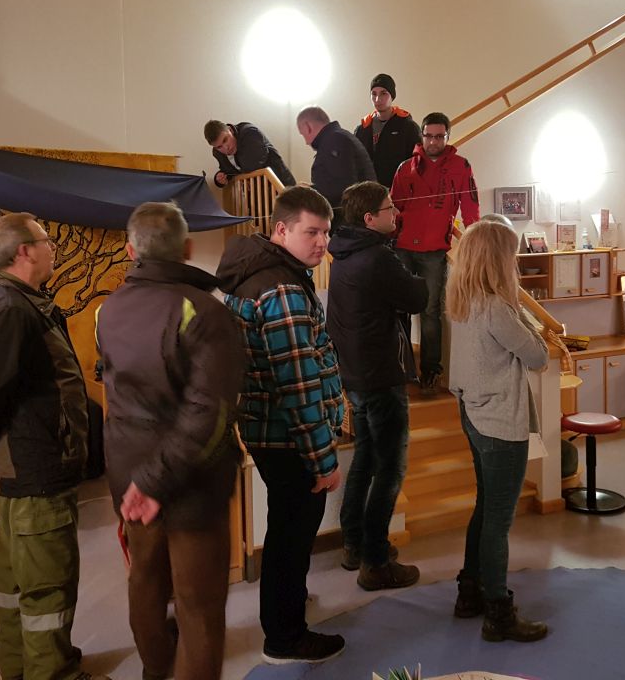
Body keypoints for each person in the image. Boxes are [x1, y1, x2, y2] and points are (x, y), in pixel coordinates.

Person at [0, 212, 106, 680]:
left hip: (20, 469)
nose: (52, 247)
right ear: (24, 252)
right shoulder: (12, 308)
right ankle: (53, 673)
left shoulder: (14, 301)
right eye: (46, 240)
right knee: (48, 588)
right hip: (35, 470)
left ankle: (19, 668)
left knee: (18, 582)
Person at [96, 202, 243, 680]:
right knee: (199, 607)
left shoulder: (107, 309)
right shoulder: (206, 311)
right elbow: (209, 414)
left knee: (145, 581)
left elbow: (116, 387)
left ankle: (156, 671)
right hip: (188, 482)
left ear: (130, 250)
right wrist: (156, 482)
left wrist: (142, 482)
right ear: (187, 248)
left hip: (131, 476)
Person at [215, 186, 346, 665]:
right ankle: (285, 637)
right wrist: (324, 459)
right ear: (281, 230)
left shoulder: (257, 273)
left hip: (265, 427)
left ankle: (286, 602)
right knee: (292, 534)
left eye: (326, 233)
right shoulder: (283, 289)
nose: (322, 242)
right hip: (288, 435)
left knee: (285, 529)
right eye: (312, 232)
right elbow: (298, 385)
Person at [446, 220, 549, 643]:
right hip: (499, 422)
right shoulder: (496, 308)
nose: (516, 263)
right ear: (497, 260)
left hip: (473, 412)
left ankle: (469, 592)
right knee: (498, 522)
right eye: (511, 255)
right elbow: (539, 355)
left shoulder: (463, 301)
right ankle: (498, 613)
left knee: (485, 507)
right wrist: (519, 310)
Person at [327, 181, 428, 590]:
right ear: (369, 218)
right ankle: (375, 561)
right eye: (389, 208)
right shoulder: (377, 258)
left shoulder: (342, 254)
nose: (396, 213)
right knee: (390, 469)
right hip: (380, 377)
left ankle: (354, 544)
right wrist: (418, 275)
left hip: (353, 375)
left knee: (367, 458)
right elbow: (417, 298)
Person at [391, 111, 480, 396]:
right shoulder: (405, 167)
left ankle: (431, 370)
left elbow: (470, 208)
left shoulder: (460, 166)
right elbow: (393, 208)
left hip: (434, 250)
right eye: (428, 136)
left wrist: (474, 244)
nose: (433, 141)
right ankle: (402, 367)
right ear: (422, 136)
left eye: (439, 136)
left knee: (430, 311)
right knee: (400, 309)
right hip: (403, 247)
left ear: (447, 137)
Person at [295, 106, 376, 227]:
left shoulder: (334, 140)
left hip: (351, 224)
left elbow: (343, 187)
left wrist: (309, 191)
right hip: (359, 220)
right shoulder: (339, 137)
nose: (306, 142)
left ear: (308, 127)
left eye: (303, 134)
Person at [353, 74, 422, 190]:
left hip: (398, 191)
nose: (377, 99)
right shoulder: (362, 129)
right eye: (374, 94)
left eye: (383, 93)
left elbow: (418, 162)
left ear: (392, 96)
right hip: (369, 193)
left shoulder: (408, 127)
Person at [204, 119, 297, 189]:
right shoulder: (218, 153)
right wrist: (219, 179)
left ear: (230, 130)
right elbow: (228, 171)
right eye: (219, 147)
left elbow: (254, 163)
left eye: (225, 140)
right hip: (258, 196)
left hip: (280, 184)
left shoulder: (249, 132)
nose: (226, 147)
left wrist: (241, 177)